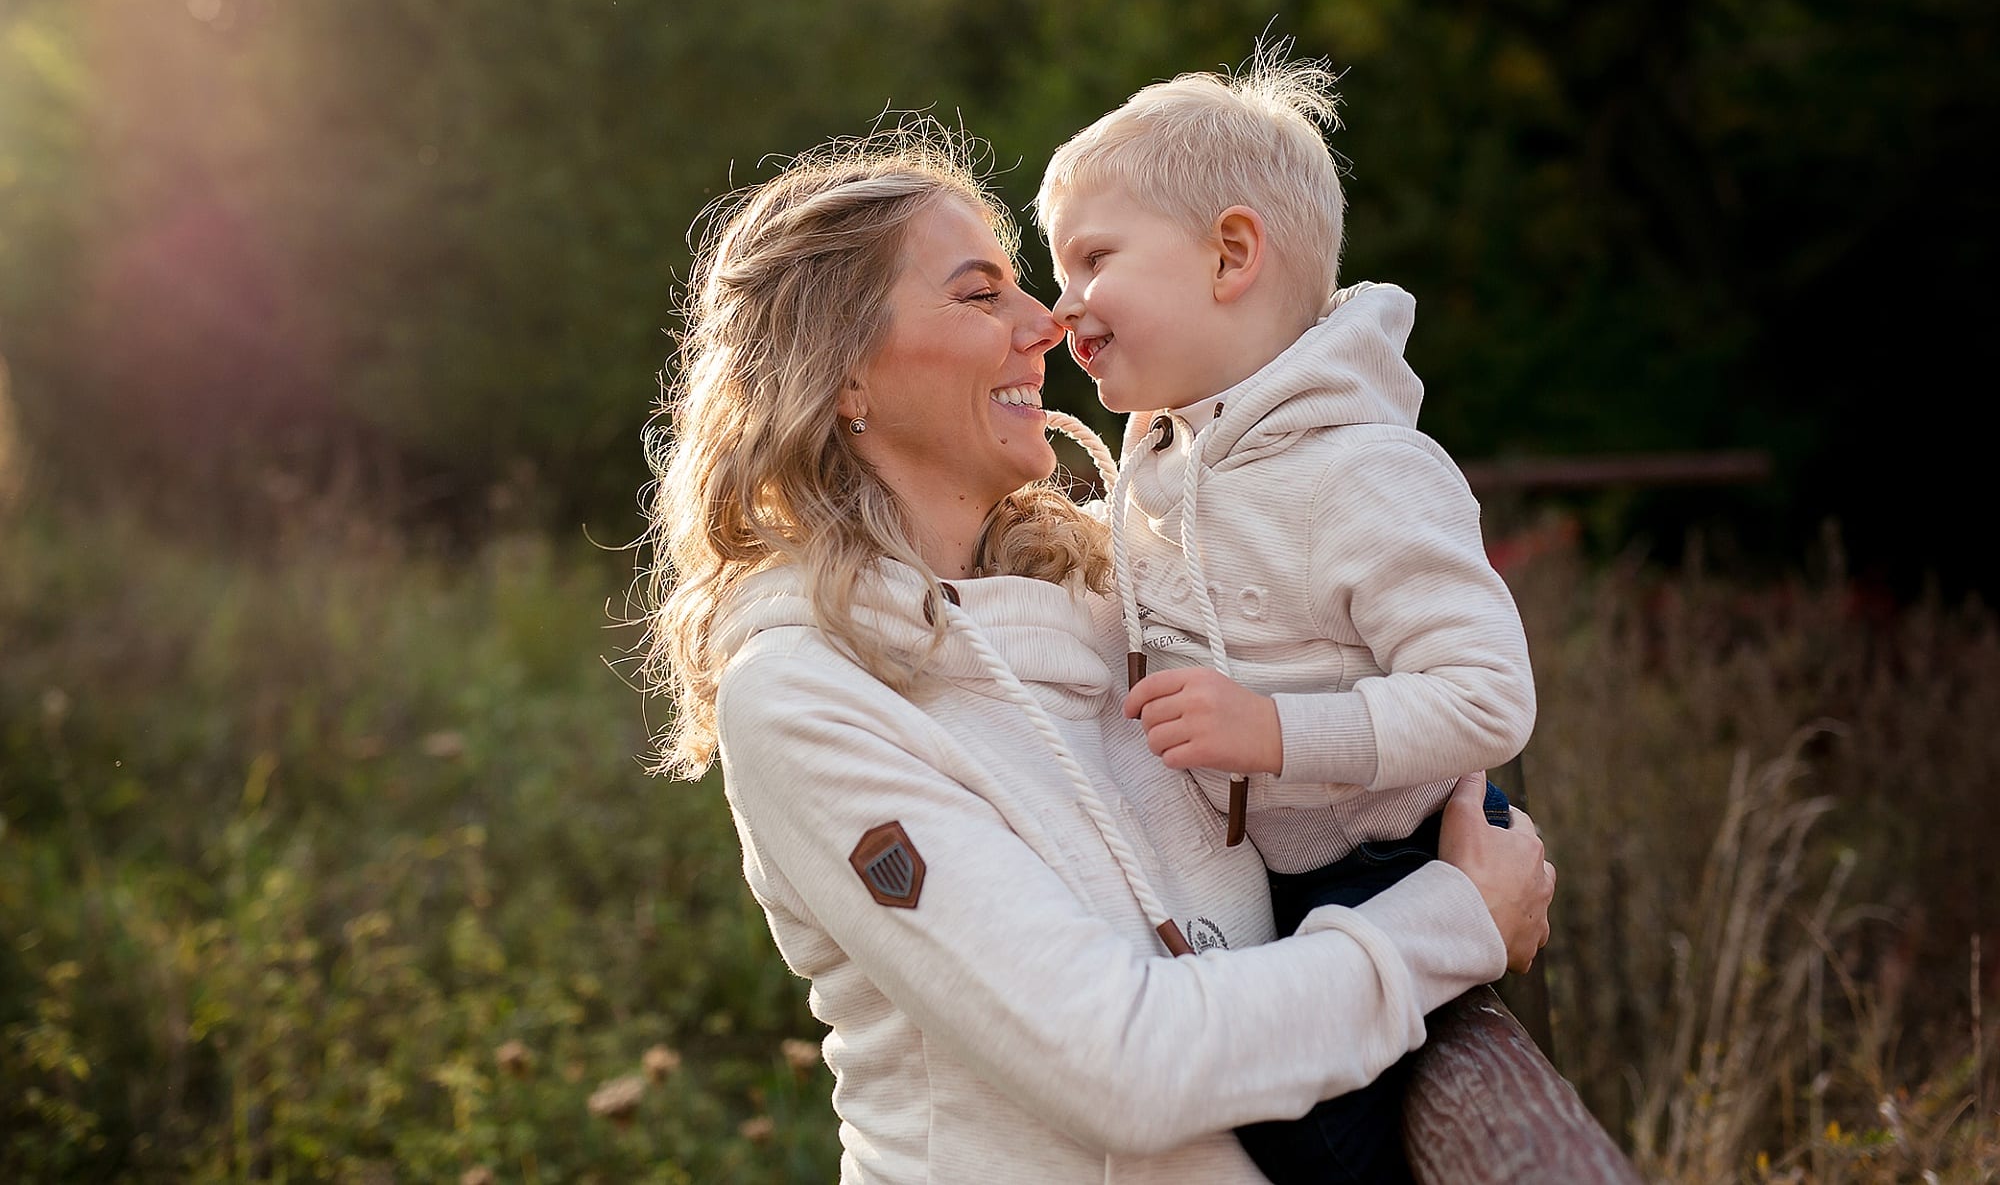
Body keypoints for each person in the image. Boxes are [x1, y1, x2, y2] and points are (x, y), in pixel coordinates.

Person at [638, 124, 1555, 1184]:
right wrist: (1451, 920)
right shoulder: (805, 694)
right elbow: (1124, 1064)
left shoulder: (1113, 603)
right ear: (843, 376)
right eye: (981, 294)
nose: (1047, 321)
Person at [1037, 52, 1540, 1182]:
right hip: (1258, 879)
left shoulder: (1363, 470)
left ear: (1229, 254)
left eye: (1091, 258)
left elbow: (1488, 697)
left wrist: (1271, 731)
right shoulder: (1163, 468)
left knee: (1311, 1145)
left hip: (1386, 860)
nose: (1063, 302)